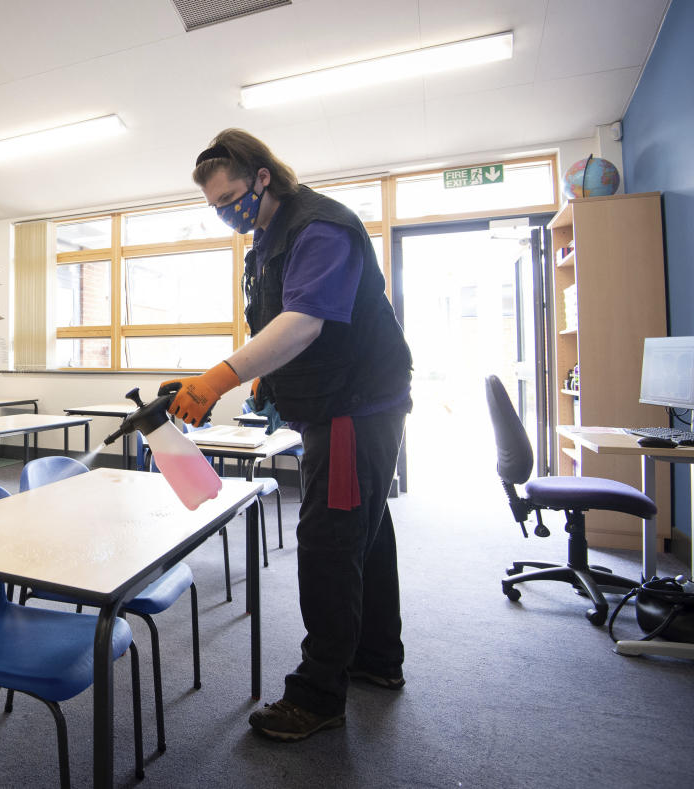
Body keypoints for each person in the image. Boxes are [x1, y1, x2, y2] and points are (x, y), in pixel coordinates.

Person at [159, 129, 413, 742]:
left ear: (263, 177)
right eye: (214, 207)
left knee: (329, 540)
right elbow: (275, 325)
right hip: (337, 404)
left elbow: (303, 323)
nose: (224, 213)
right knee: (364, 531)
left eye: (229, 199)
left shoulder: (320, 227)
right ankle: (376, 659)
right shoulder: (268, 241)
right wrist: (263, 387)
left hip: (353, 408)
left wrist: (216, 379)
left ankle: (318, 695)